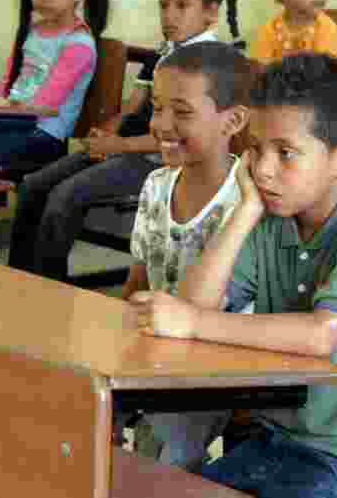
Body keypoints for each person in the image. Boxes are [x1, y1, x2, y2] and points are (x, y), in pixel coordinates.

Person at [131, 54, 337, 498]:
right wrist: (246, 209)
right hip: (280, 442)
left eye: (285, 153)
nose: (264, 169)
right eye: (256, 149)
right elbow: (194, 303)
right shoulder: (270, 219)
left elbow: (321, 335)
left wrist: (193, 323)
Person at [9, 0, 237, 283]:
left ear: (211, 11)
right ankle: (17, 279)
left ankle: (47, 288)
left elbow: (177, 134)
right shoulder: (165, 51)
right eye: (163, 4)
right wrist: (105, 135)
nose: (168, 15)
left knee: (64, 197)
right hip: (125, 147)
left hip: (159, 158)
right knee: (33, 185)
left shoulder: (207, 62)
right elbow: (132, 106)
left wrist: (119, 145)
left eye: (181, 5)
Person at [120, 42, 253, 470]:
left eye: (181, 112)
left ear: (232, 121)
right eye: (157, 108)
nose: (161, 124)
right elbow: (137, 283)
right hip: (157, 350)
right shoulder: (157, 185)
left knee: (166, 450)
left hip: (220, 361)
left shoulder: (247, 201)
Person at [0, 0, 109, 167]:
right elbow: (7, 82)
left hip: (44, 136)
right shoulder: (31, 30)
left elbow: (45, 104)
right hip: (12, 123)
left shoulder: (79, 44)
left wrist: (3, 109)